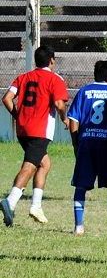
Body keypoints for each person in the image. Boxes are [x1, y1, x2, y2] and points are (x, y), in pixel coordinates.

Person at [0, 45, 69, 227]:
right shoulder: (55, 79)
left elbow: (6, 98)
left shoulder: (23, 77)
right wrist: (64, 118)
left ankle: (36, 206)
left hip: (23, 129)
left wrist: (17, 115)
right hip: (40, 130)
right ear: (52, 60)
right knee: (30, 166)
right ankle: (11, 200)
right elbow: (59, 104)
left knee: (44, 163)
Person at [67, 60, 107, 235]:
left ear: (94, 73)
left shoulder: (84, 91)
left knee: (81, 185)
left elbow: (73, 120)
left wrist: (76, 143)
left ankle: (79, 226)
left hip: (87, 142)